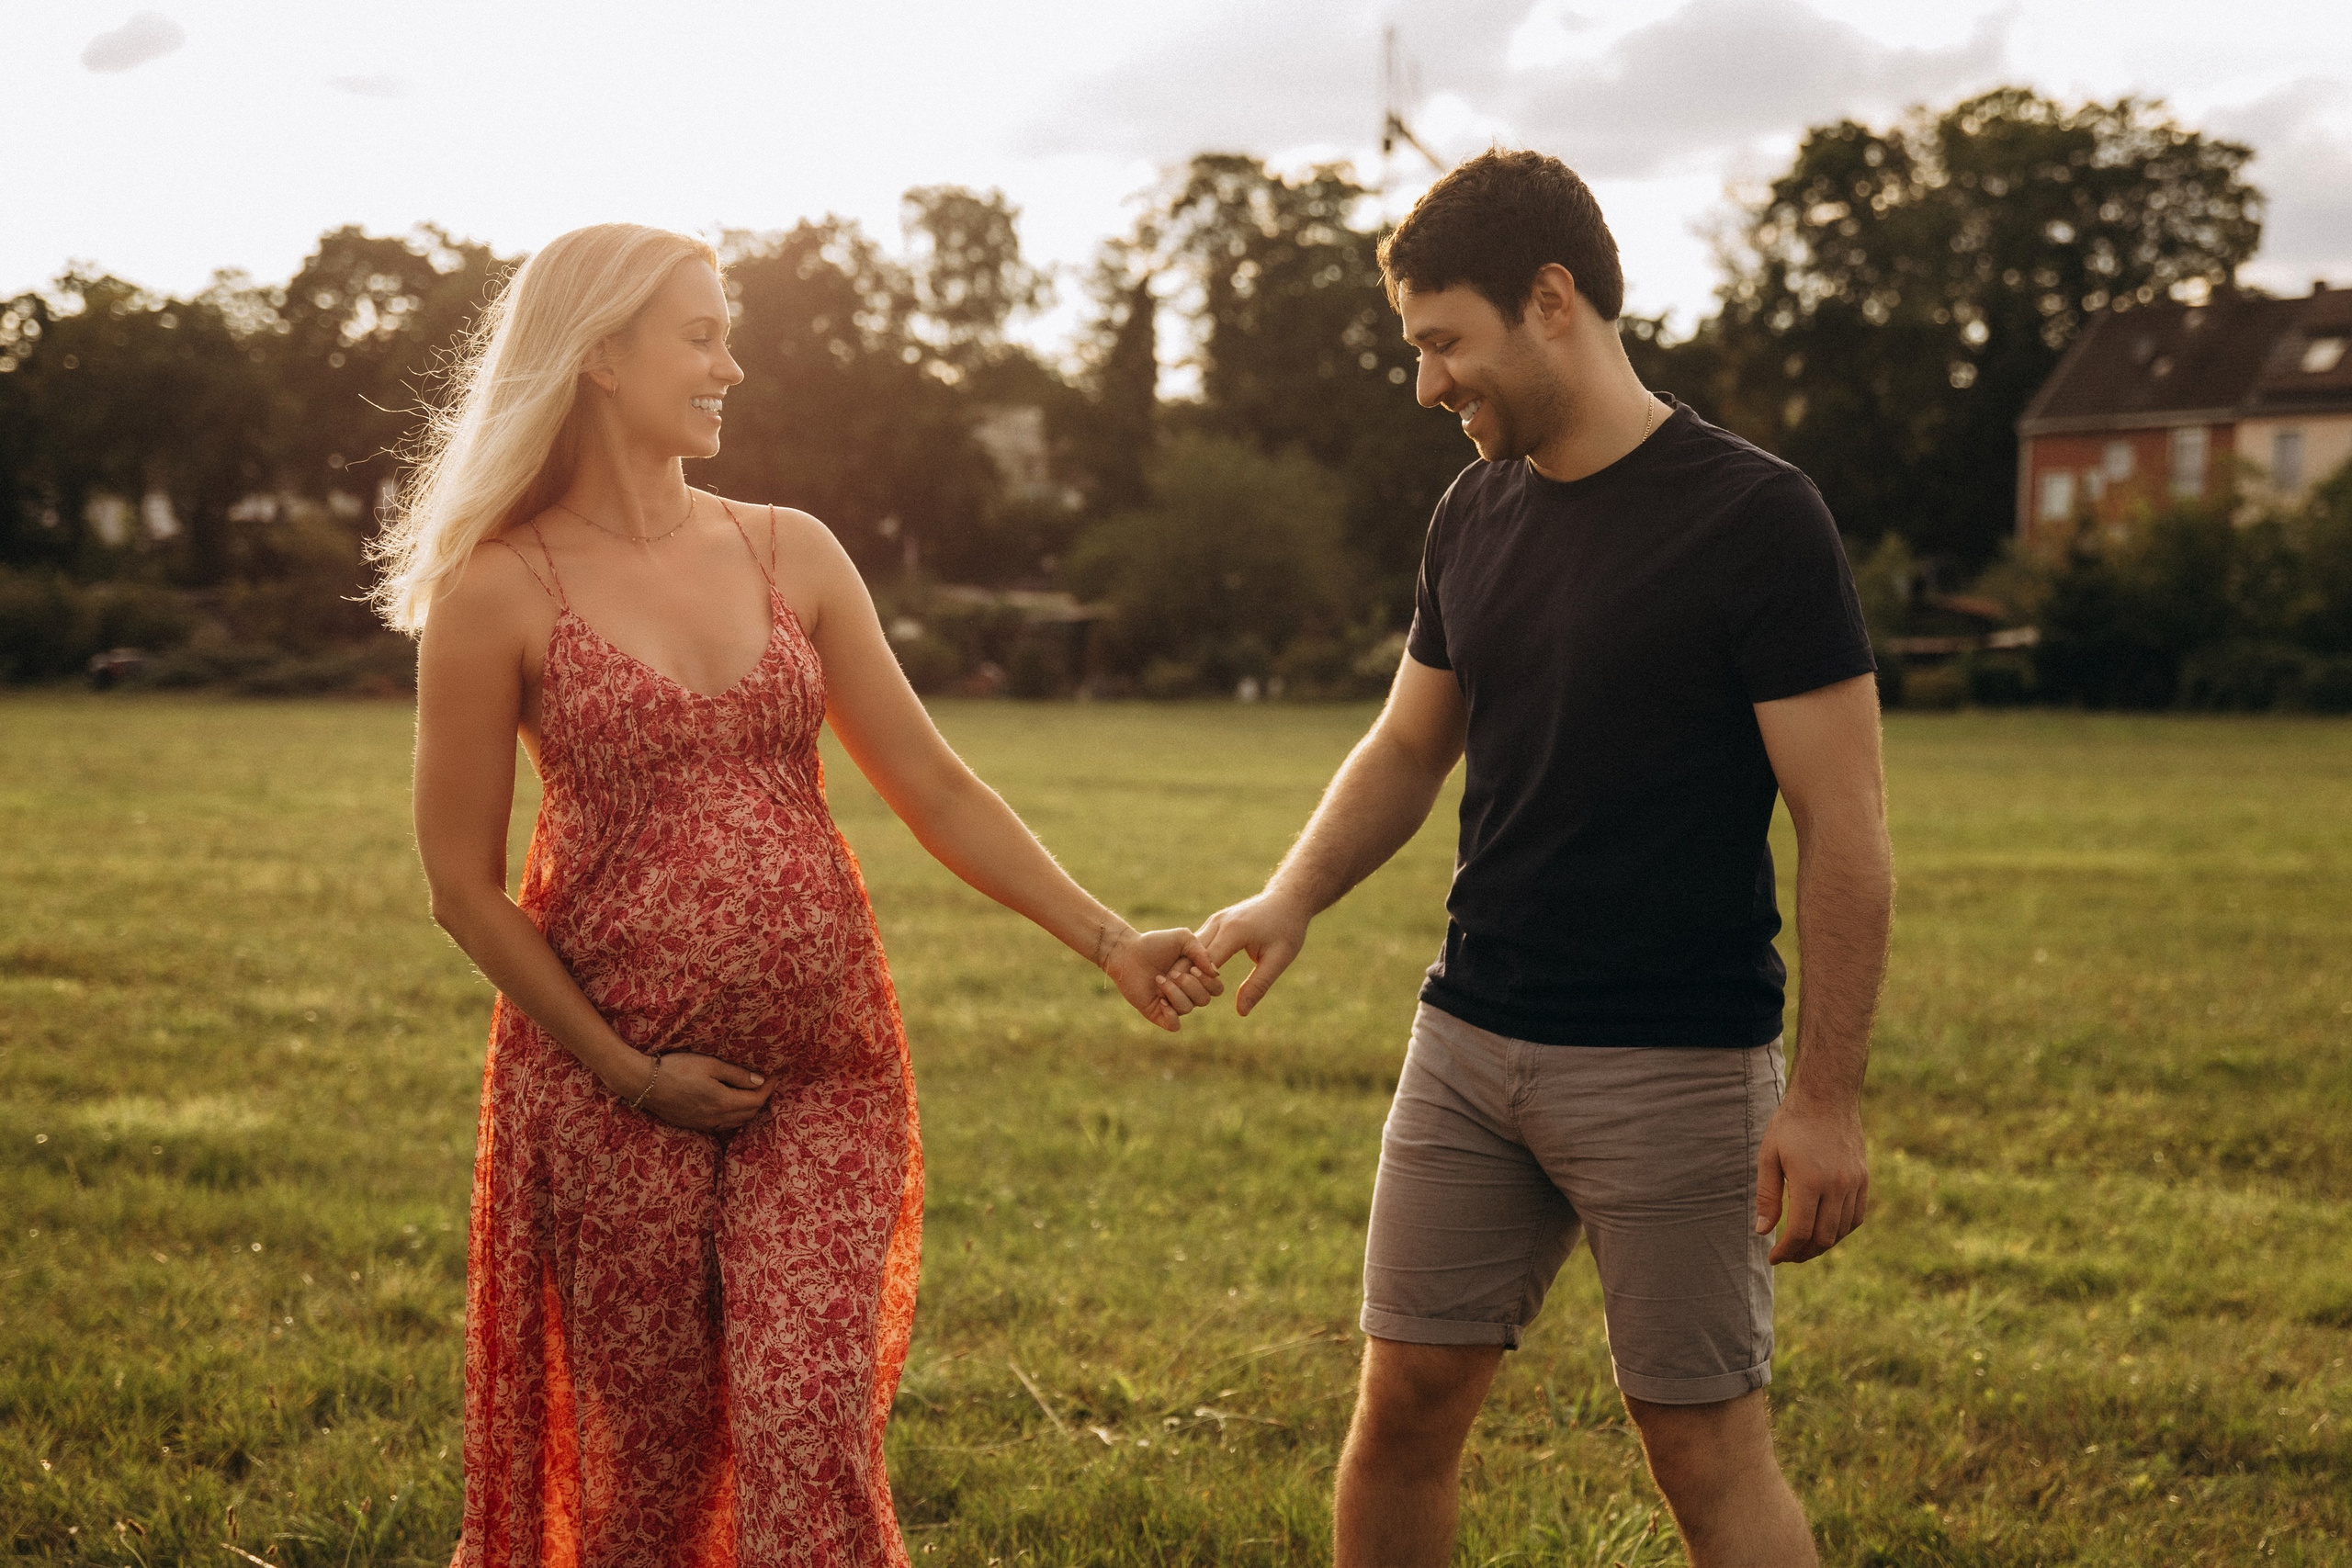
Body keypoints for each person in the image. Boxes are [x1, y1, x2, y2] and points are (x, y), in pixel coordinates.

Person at [378, 223, 1218, 1567]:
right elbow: (461, 890)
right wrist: (626, 1069)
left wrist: (1109, 938)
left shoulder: (793, 552)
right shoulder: (498, 590)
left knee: (805, 1422)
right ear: (599, 358)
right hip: (606, 1093)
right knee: (638, 1485)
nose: (734, 365)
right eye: (701, 336)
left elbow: (934, 788)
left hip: (827, 1078)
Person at [1193, 152, 1894, 1567]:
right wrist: (1293, 894)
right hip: (1468, 1042)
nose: (1426, 383)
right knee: (1402, 1410)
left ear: (1553, 299)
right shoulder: (1474, 514)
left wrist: (1823, 1100)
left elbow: (1847, 826)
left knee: (1703, 1450)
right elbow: (1406, 747)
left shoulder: (1757, 519)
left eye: (1445, 341)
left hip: (1675, 1065)